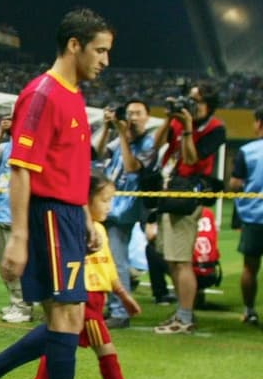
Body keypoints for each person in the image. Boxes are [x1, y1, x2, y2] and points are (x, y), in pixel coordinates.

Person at [0, 7, 115, 379]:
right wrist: (19, 238)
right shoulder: (42, 94)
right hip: (47, 216)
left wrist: (85, 216)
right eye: (99, 50)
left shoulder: (75, 95)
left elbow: (72, 166)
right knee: (66, 316)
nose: (105, 60)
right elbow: (22, 169)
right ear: (74, 45)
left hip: (68, 216)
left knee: (69, 318)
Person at [24, 172, 170, 379]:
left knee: (58, 344)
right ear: (86, 199)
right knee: (105, 352)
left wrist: (122, 294)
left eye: (111, 200)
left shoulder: (99, 229)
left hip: (96, 299)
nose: (109, 206)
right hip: (84, 300)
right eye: (104, 200)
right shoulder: (74, 228)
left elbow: (108, 268)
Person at [150, 82, 226, 335]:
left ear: (209, 105)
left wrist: (187, 129)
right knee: (171, 258)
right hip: (168, 190)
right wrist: (169, 118)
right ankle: (183, 313)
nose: (191, 105)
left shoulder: (216, 129)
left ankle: (185, 317)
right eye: (189, 99)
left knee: (181, 261)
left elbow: (193, 158)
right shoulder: (177, 121)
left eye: (197, 101)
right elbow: (154, 144)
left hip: (187, 196)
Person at [95, 99, 157, 328]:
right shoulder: (121, 138)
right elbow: (98, 153)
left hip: (128, 209)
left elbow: (132, 167)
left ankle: (120, 312)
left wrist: (122, 134)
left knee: (117, 259)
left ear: (147, 117)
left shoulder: (149, 143)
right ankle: (111, 306)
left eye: (138, 113)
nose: (133, 118)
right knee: (107, 257)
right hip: (109, 204)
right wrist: (106, 128)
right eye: (129, 113)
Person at [0, 115, 33, 323]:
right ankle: (15, 302)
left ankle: (23, 306)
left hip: (15, 214)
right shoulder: (5, 147)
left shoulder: (29, 145)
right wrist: (1, 132)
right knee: (4, 263)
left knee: (16, 262)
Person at [229, 107, 263, 325]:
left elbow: (235, 184)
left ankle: (249, 311)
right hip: (254, 217)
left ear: (259, 123)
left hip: (255, 218)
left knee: (250, 267)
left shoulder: (248, 151)